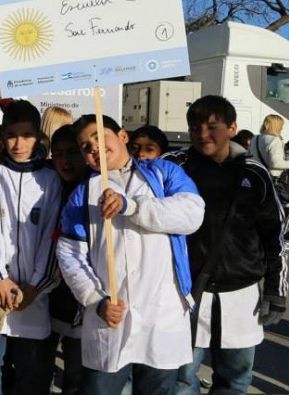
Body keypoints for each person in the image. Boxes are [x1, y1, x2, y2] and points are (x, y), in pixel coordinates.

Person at [58, 114, 204, 394]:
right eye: (86, 146)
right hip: (110, 317)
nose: (94, 149)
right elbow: (70, 254)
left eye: (100, 138)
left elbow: (192, 214)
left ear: (123, 136)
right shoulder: (82, 194)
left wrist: (132, 207)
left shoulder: (164, 173)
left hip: (162, 314)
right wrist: (95, 300)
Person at [167, 96, 287, 395]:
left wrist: (276, 289)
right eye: (195, 127)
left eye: (212, 126)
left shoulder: (254, 173)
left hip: (242, 297)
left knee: (235, 381)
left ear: (232, 128)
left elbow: (274, 235)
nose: (202, 134)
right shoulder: (175, 167)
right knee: (181, 380)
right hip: (187, 294)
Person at [0, 99, 62, 395]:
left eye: (26, 136)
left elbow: (53, 234)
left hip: (34, 296)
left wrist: (36, 286)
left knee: (31, 374)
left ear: (38, 137)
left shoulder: (50, 179)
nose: (18, 143)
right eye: (11, 135)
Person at [46, 124, 87, 395]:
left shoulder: (95, 189)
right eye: (58, 154)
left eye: (72, 153)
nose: (65, 160)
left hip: (81, 297)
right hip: (45, 292)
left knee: (75, 374)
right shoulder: (47, 183)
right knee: (38, 369)